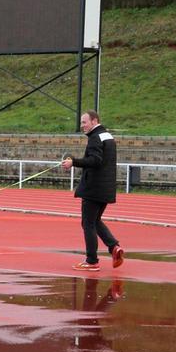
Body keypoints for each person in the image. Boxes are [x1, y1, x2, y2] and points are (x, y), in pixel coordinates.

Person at [62, 110, 125, 272]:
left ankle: (92, 261)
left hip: (94, 188)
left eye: (84, 122)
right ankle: (114, 248)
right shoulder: (108, 136)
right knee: (95, 221)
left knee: (87, 223)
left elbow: (95, 161)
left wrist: (73, 162)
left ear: (94, 121)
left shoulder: (95, 138)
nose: (82, 126)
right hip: (106, 188)